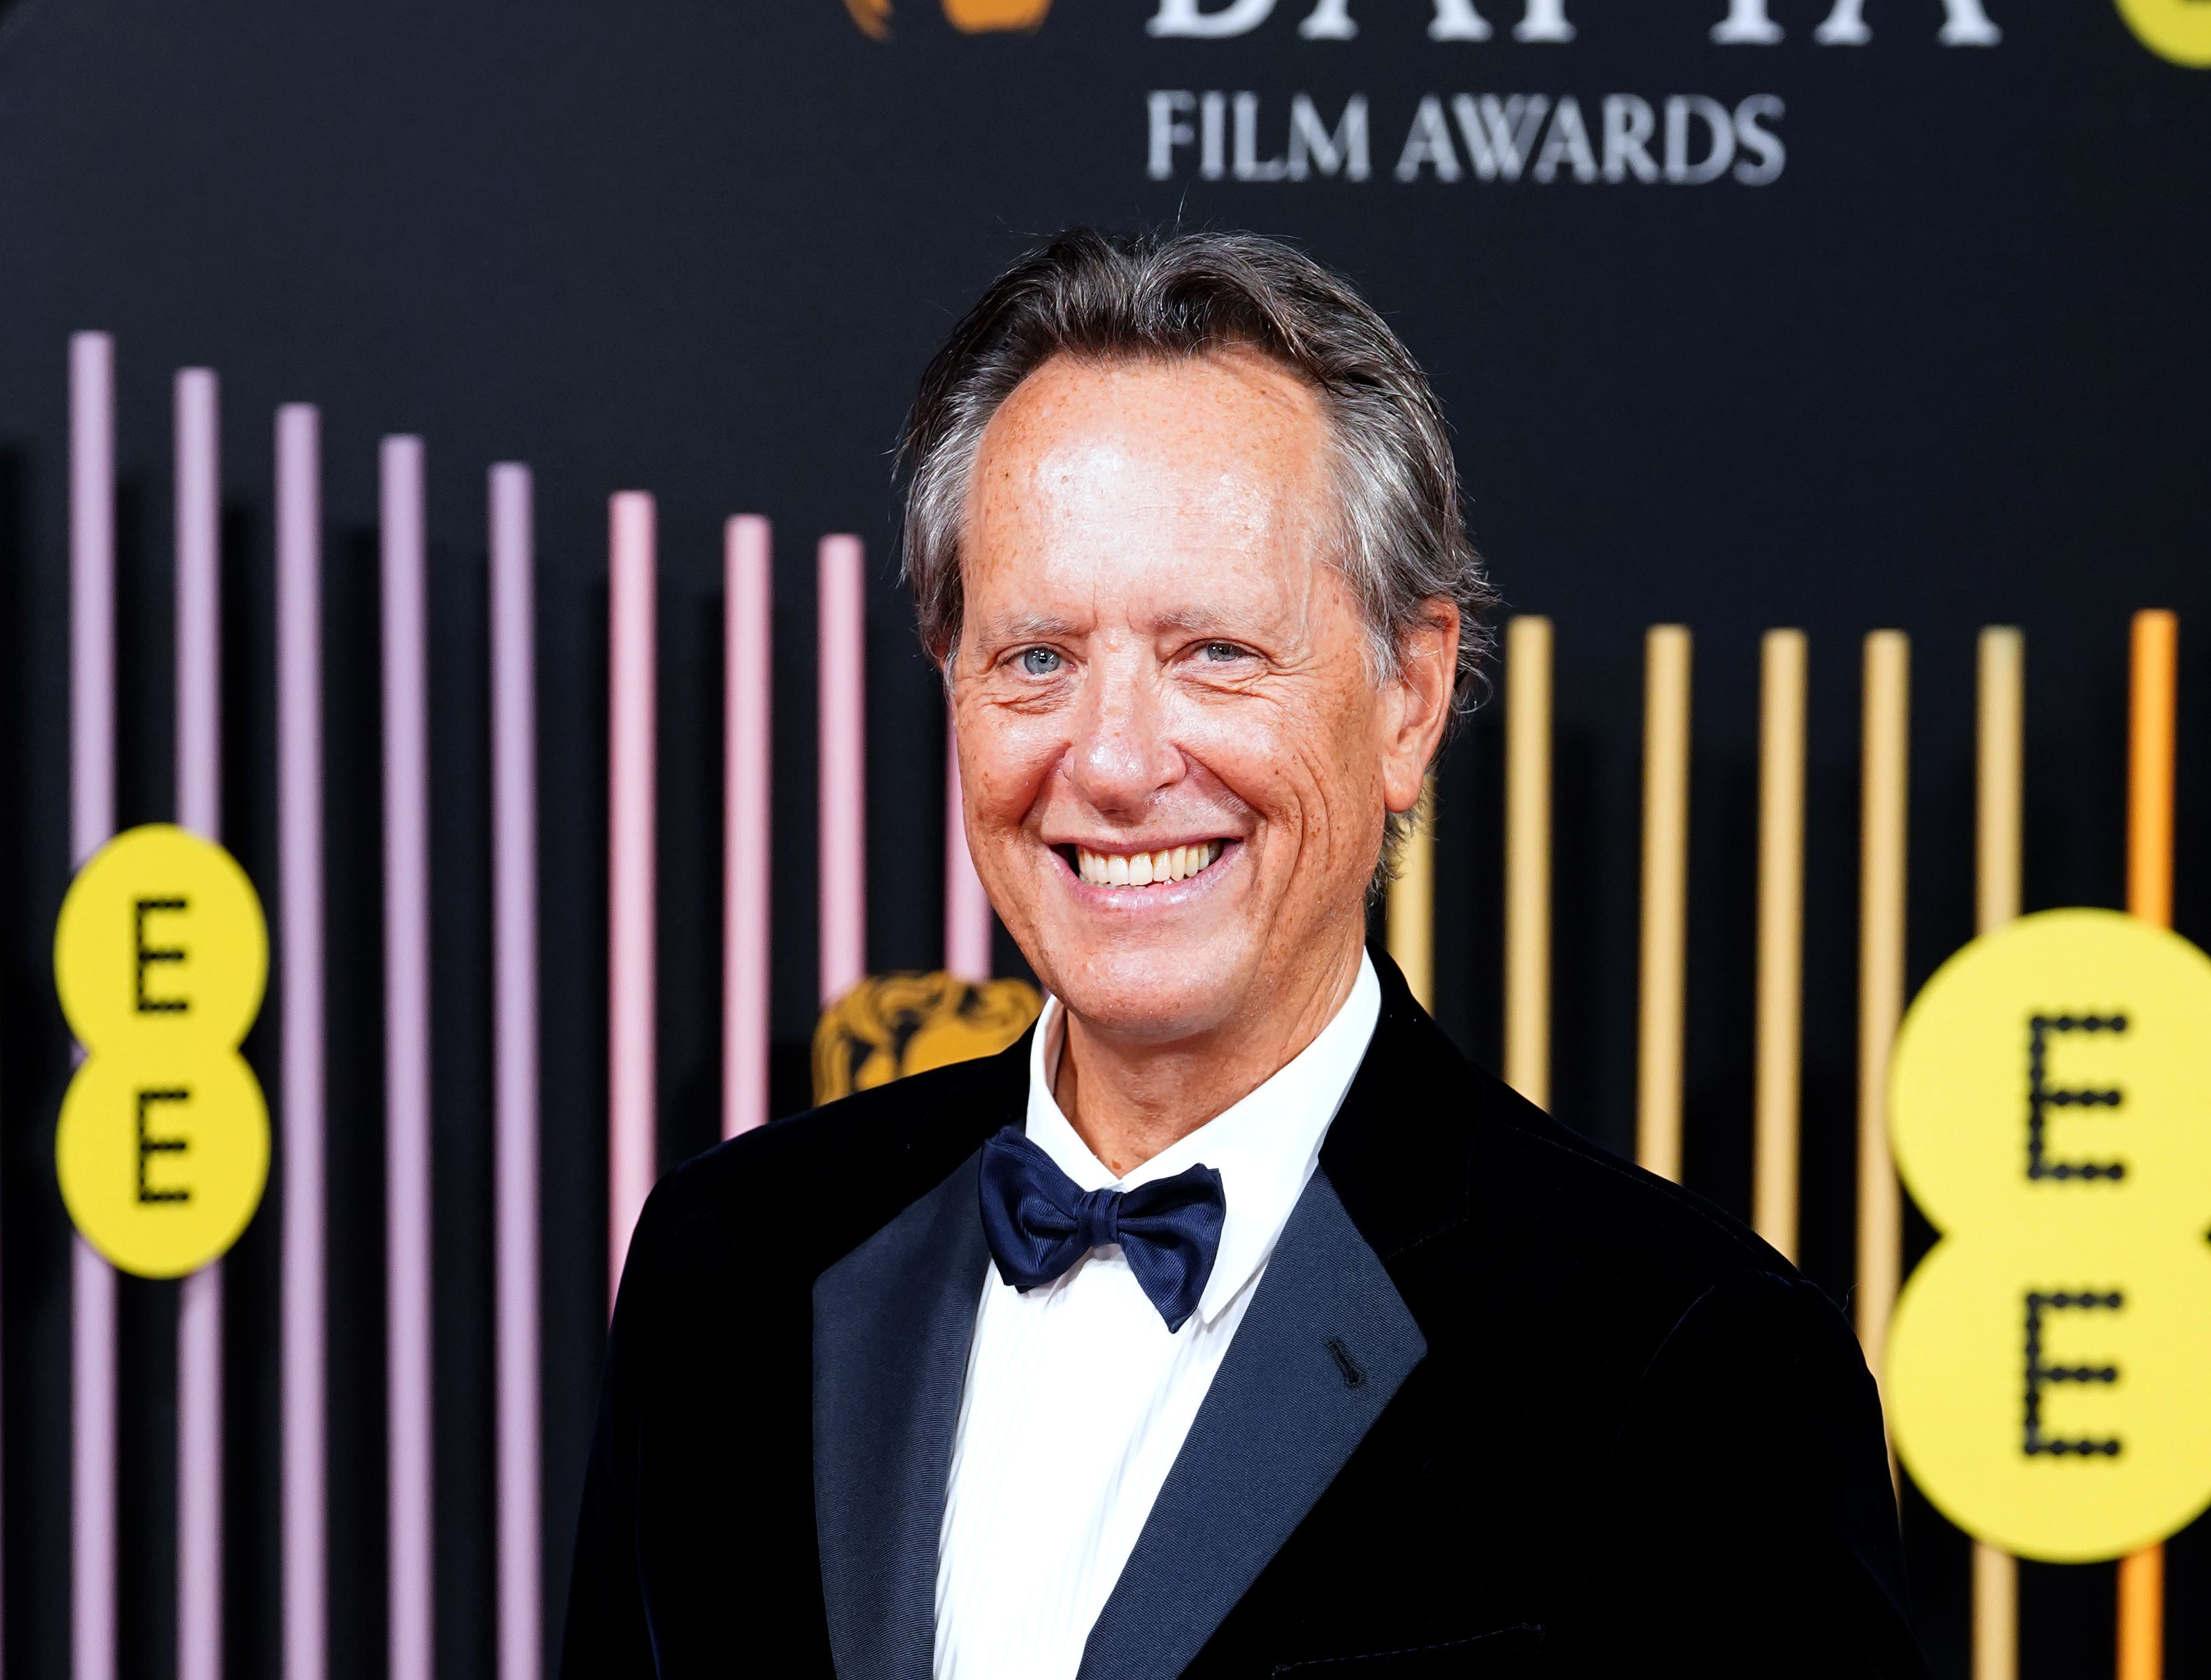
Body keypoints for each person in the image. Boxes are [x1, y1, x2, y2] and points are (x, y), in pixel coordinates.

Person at [561, 229, 1922, 1679]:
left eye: (1215, 650)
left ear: (1407, 697)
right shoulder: (732, 1270)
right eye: (1038, 658)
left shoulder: (1688, 1363)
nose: (1118, 758)